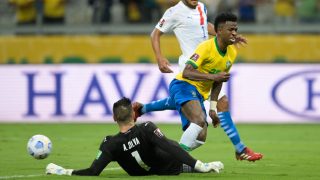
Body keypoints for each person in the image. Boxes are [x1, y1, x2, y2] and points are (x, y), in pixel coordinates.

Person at [133, 9, 263, 161]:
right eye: (231, 29)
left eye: (236, 29)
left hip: (199, 93)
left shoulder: (231, 53)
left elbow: (218, 81)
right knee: (199, 120)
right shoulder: (205, 47)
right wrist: (214, 76)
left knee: (200, 137)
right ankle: (175, 161)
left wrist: (213, 109)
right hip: (184, 84)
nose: (235, 33)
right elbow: (187, 72)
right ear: (219, 31)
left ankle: (157, 153)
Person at [45, 97, 224, 176]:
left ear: (114, 118)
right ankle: (192, 167)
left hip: (141, 172)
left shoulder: (109, 144)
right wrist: (199, 165)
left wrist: (62, 170)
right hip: (167, 168)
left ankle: (189, 166)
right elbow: (170, 147)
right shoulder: (146, 128)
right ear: (133, 114)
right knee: (170, 144)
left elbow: (93, 171)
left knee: (164, 148)